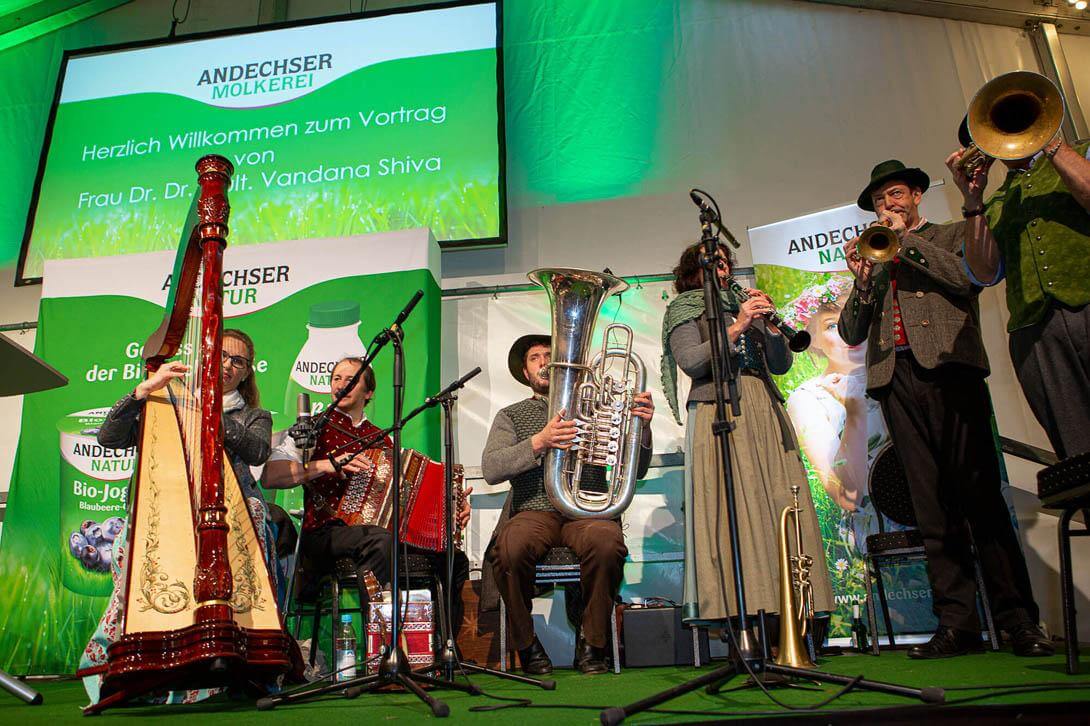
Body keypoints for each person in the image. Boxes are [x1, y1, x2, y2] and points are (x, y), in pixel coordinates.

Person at [838, 160, 1049, 658]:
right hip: (896, 379)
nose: (886, 206)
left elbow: (970, 278)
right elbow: (850, 332)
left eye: (893, 195)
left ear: (915, 196)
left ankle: (1018, 620)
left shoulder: (952, 233)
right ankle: (958, 623)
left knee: (980, 497)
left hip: (951, 370)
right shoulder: (873, 254)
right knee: (929, 507)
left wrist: (905, 243)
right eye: (878, 201)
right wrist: (863, 281)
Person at [79, 329, 277, 704]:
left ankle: (245, 654)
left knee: (251, 514)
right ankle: (143, 656)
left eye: (239, 361)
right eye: (221, 356)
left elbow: (256, 451)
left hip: (230, 511)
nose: (228, 366)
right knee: (131, 537)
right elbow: (109, 437)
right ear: (204, 357)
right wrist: (142, 391)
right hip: (168, 510)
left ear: (248, 372)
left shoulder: (254, 415)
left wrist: (209, 412)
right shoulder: (163, 401)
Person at [661, 241, 834, 636]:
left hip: (763, 408)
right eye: (712, 264)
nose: (722, 270)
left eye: (725, 263)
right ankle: (744, 617)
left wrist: (772, 327)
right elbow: (692, 361)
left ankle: (792, 617)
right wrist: (738, 324)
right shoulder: (685, 309)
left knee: (779, 502)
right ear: (691, 272)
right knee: (734, 509)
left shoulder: (746, 304)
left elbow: (780, 363)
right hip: (719, 408)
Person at [481, 334, 655, 675]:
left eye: (550, 354)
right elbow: (491, 469)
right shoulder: (511, 415)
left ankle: (593, 644)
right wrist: (539, 442)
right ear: (524, 371)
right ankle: (526, 644)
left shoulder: (596, 407)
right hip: (535, 510)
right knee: (509, 549)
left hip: (588, 510)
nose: (545, 361)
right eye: (535, 357)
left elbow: (638, 467)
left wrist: (642, 428)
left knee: (608, 545)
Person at [263, 356, 473, 633]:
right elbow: (271, 475)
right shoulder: (310, 429)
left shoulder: (382, 438)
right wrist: (326, 464)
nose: (341, 384)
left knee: (453, 557)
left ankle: (446, 649)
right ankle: (382, 649)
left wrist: (450, 508)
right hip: (325, 533)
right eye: (336, 378)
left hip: (375, 534)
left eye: (351, 379)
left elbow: (406, 501)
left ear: (369, 391)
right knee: (380, 541)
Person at [949, 123, 1090, 460]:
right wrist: (972, 200)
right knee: (1078, 452)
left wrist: (1051, 144)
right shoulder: (995, 202)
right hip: (1036, 332)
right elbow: (983, 273)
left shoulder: (1081, 153)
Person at [783, 275, 890, 555]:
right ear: (814, 338)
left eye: (855, 316)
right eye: (832, 325)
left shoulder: (895, 377)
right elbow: (847, 496)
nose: (848, 332)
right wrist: (854, 412)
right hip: (874, 531)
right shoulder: (808, 399)